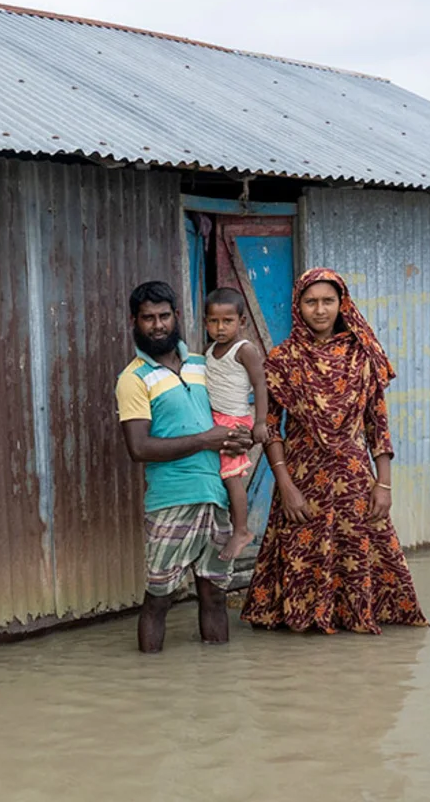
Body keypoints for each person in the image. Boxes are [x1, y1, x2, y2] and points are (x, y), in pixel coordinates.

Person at [240, 268, 428, 634]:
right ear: (299, 306)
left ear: (343, 304)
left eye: (328, 301)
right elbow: (271, 429)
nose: (320, 310)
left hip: (354, 481)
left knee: (359, 550)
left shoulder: (363, 357)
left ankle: (355, 616)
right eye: (311, 302)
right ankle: (302, 620)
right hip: (301, 480)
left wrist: (384, 484)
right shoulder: (282, 360)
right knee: (302, 551)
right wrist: (286, 486)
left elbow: (378, 424)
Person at [116, 280, 251, 653]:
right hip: (170, 503)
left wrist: (237, 437)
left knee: (215, 597)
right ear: (134, 321)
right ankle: (150, 682)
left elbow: (226, 417)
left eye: (163, 316)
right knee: (159, 598)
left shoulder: (202, 364)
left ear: (177, 316)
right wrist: (206, 440)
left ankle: (218, 685)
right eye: (148, 318)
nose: (157, 325)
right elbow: (139, 448)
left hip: (216, 495)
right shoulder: (133, 379)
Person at [201, 287, 271, 561]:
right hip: (214, 419)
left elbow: (260, 384)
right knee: (218, 477)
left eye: (227, 321)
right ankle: (222, 527)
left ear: (242, 322)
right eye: (213, 321)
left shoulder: (245, 350)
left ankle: (242, 530)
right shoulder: (209, 351)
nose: (220, 327)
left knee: (232, 479)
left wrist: (261, 422)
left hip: (233, 420)